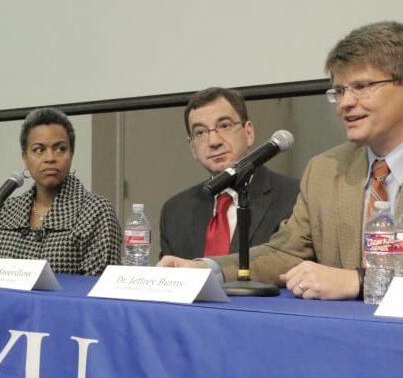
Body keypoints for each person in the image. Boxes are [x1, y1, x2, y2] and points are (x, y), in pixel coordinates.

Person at [159, 21, 403, 300]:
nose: (346, 102)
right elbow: (285, 252)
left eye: (362, 86)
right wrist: (205, 269)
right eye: (339, 91)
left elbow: (355, 280)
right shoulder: (325, 170)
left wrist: (359, 280)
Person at [159, 87, 299, 259]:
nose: (213, 141)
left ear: (248, 132)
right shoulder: (176, 211)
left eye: (224, 126)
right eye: (200, 132)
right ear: (192, 147)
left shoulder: (295, 197)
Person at [0, 108, 121, 275]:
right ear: (25, 158)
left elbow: (98, 285)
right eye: (39, 149)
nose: (50, 158)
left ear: (71, 154)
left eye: (60, 149)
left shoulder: (97, 211)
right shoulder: (7, 211)